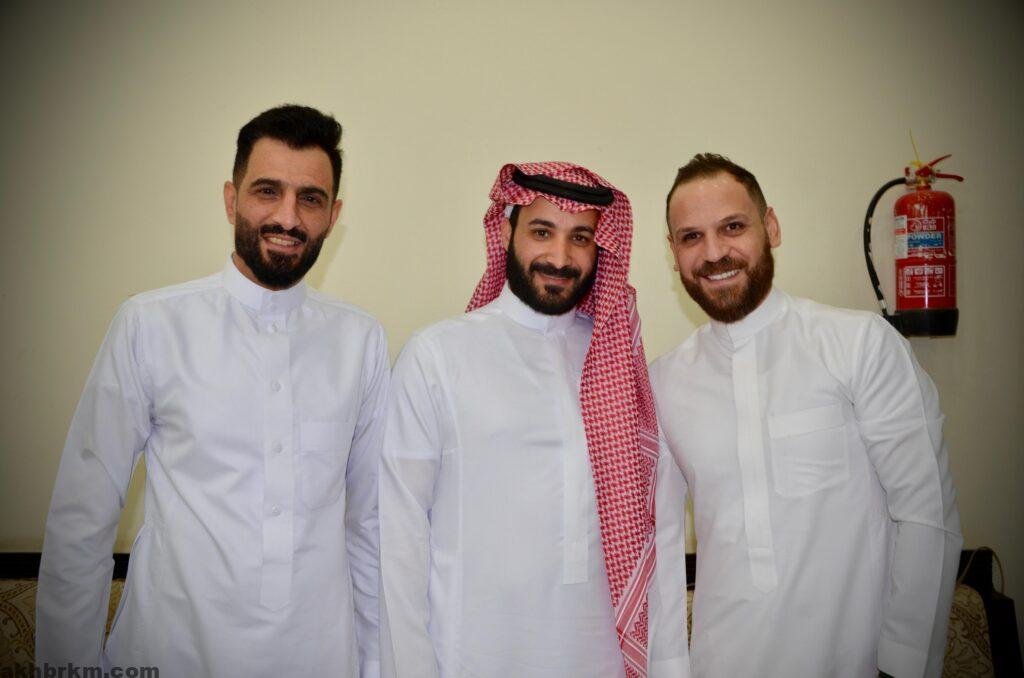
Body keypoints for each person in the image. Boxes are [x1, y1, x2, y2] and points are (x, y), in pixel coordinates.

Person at [36, 104, 387, 678]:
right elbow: (82, 519)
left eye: (310, 198)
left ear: (333, 216)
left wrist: (375, 665)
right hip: (168, 652)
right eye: (267, 191)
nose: (288, 216)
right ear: (231, 199)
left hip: (320, 657)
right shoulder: (151, 324)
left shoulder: (360, 340)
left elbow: (370, 527)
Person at [650, 153, 962, 678]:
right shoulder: (663, 382)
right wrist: (668, 668)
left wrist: (904, 663)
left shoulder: (858, 345)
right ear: (673, 251)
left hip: (855, 662)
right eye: (691, 237)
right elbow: (659, 543)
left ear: (770, 227)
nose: (714, 252)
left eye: (732, 227)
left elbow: (927, 514)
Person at [379, 162, 688, 678]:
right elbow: (400, 537)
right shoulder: (439, 355)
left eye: (580, 237)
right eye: (542, 232)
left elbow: (659, 532)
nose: (560, 257)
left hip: (599, 658)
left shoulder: (616, 362)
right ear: (506, 232)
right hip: (474, 658)